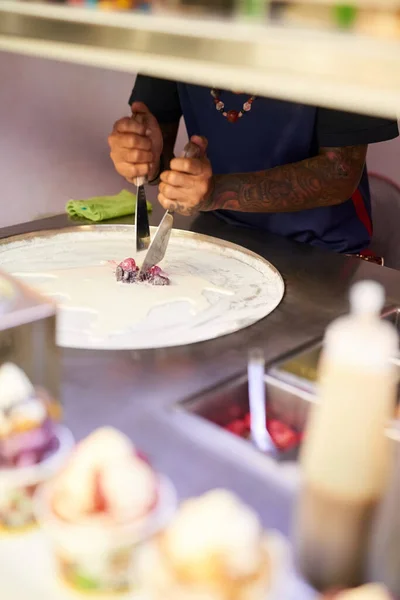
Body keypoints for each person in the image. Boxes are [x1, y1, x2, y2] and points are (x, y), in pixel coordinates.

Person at [108, 75, 398, 258]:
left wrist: (214, 193)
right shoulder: (178, 21)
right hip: (217, 236)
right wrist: (140, 153)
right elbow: (156, 141)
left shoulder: (329, 25)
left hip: (321, 252)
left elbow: (339, 173)